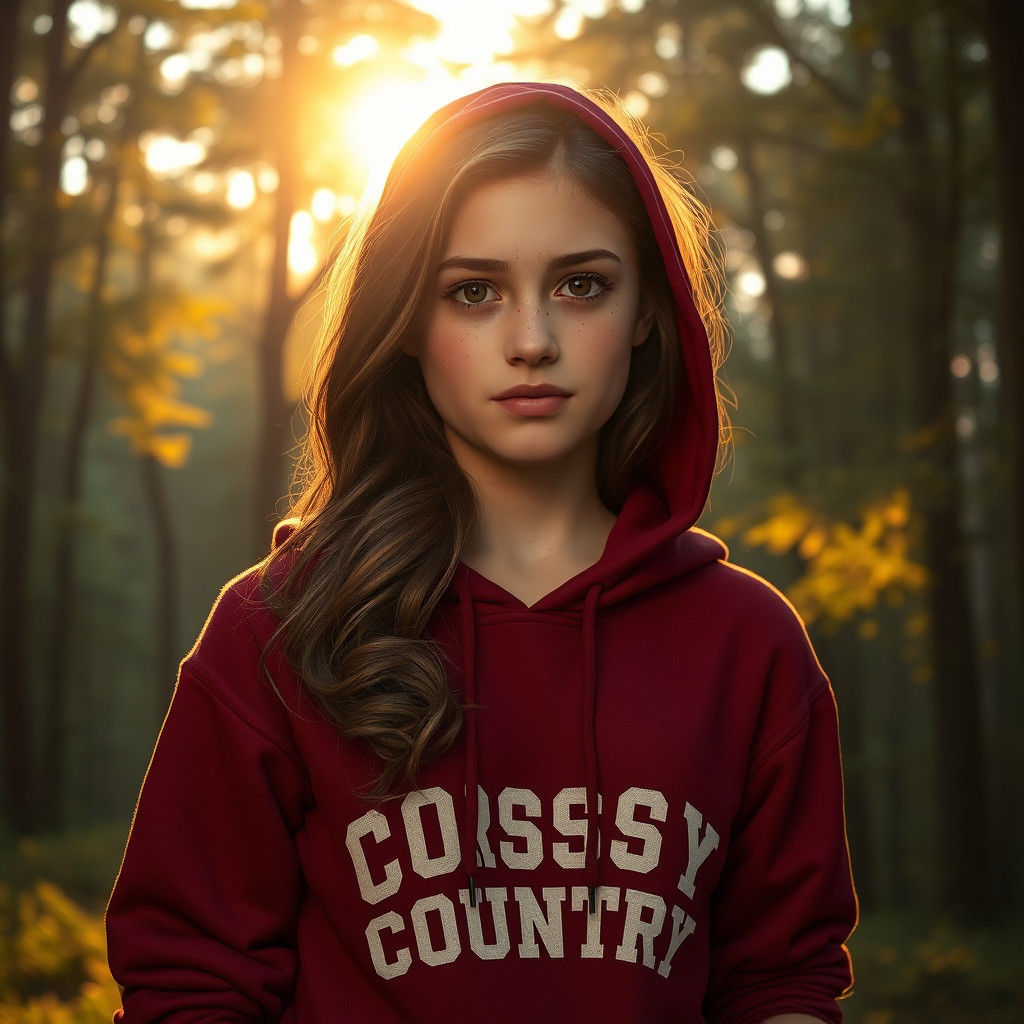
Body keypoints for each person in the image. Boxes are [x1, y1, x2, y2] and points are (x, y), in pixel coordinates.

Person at [105, 81, 857, 1023]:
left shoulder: (749, 646)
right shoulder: (279, 628)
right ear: (409, 324)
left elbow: (781, 980)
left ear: (647, 315)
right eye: (474, 292)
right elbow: (188, 976)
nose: (532, 341)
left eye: (582, 285)